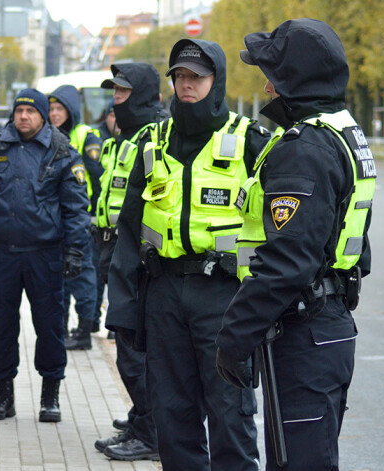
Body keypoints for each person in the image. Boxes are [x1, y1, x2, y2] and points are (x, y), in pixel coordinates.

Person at [216, 19, 376, 471]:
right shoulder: (344, 134)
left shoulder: (303, 148)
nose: (266, 88)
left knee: (299, 464)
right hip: (326, 326)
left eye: (273, 75)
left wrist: (235, 335)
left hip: (304, 332)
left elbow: (289, 260)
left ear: (294, 79)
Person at [106, 38, 270, 471]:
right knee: (172, 416)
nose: (186, 85)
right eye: (179, 76)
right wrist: (122, 307)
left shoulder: (251, 141)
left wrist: (268, 303)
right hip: (164, 297)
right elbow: (128, 230)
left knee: (230, 416)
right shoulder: (152, 143)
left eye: (196, 77)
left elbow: (282, 228)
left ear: (216, 82)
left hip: (224, 298)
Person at [0, 88, 90, 423]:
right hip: (3, 254)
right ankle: (4, 396)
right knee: (1, 326)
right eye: (19, 110)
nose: (23, 117)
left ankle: (51, 397)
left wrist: (75, 250)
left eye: (31, 112)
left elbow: (76, 208)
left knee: (49, 327)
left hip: (45, 255)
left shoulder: (61, 152)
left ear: (43, 116)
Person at [93, 63, 163, 462]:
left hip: (141, 259)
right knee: (127, 343)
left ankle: (151, 434)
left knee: (135, 350)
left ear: (140, 94)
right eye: (114, 92)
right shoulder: (130, 135)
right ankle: (143, 419)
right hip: (118, 250)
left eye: (122, 92)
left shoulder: (154, 135)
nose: (115, 99)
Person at [48, 85, 103, 349]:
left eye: (59, 109)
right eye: (51, 109)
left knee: (82, 273)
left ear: (70, 110)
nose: (54, 114)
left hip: (82, 217)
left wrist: (93, 214)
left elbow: (96, 175)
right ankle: (63, 329)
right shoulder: (46, 135)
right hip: (57, 217)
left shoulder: (85, 135)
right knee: (62, 276)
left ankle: (84, 331)